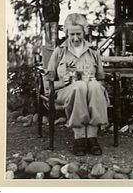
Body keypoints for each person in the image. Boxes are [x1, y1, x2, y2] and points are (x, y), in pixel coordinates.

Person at [47, 13, 109, 156]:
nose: (75, 38)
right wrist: (61, 82)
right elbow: (47, 81)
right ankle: (79, 138)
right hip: (65, 92)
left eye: (79, 34)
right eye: (72, 34)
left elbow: (101, 79)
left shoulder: (93, 52)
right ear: (66, 33)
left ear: (84, 32)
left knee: (93, 86)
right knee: (79, 86)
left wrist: (93, 82)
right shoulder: (59, 52)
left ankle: (92, 137)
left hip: (91, 91)